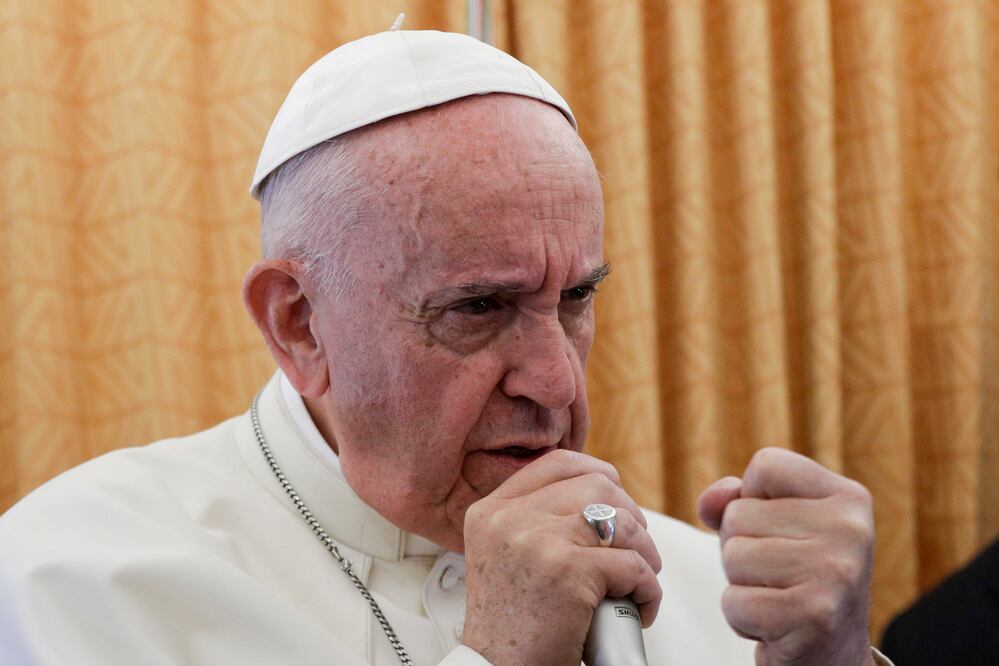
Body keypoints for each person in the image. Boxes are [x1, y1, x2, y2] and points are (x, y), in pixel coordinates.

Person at [0, 24, 891, 665]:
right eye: (478, 307)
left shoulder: (706, 588)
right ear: (297, 323)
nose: (556, 381)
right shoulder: (74, 578)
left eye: (575, 297)